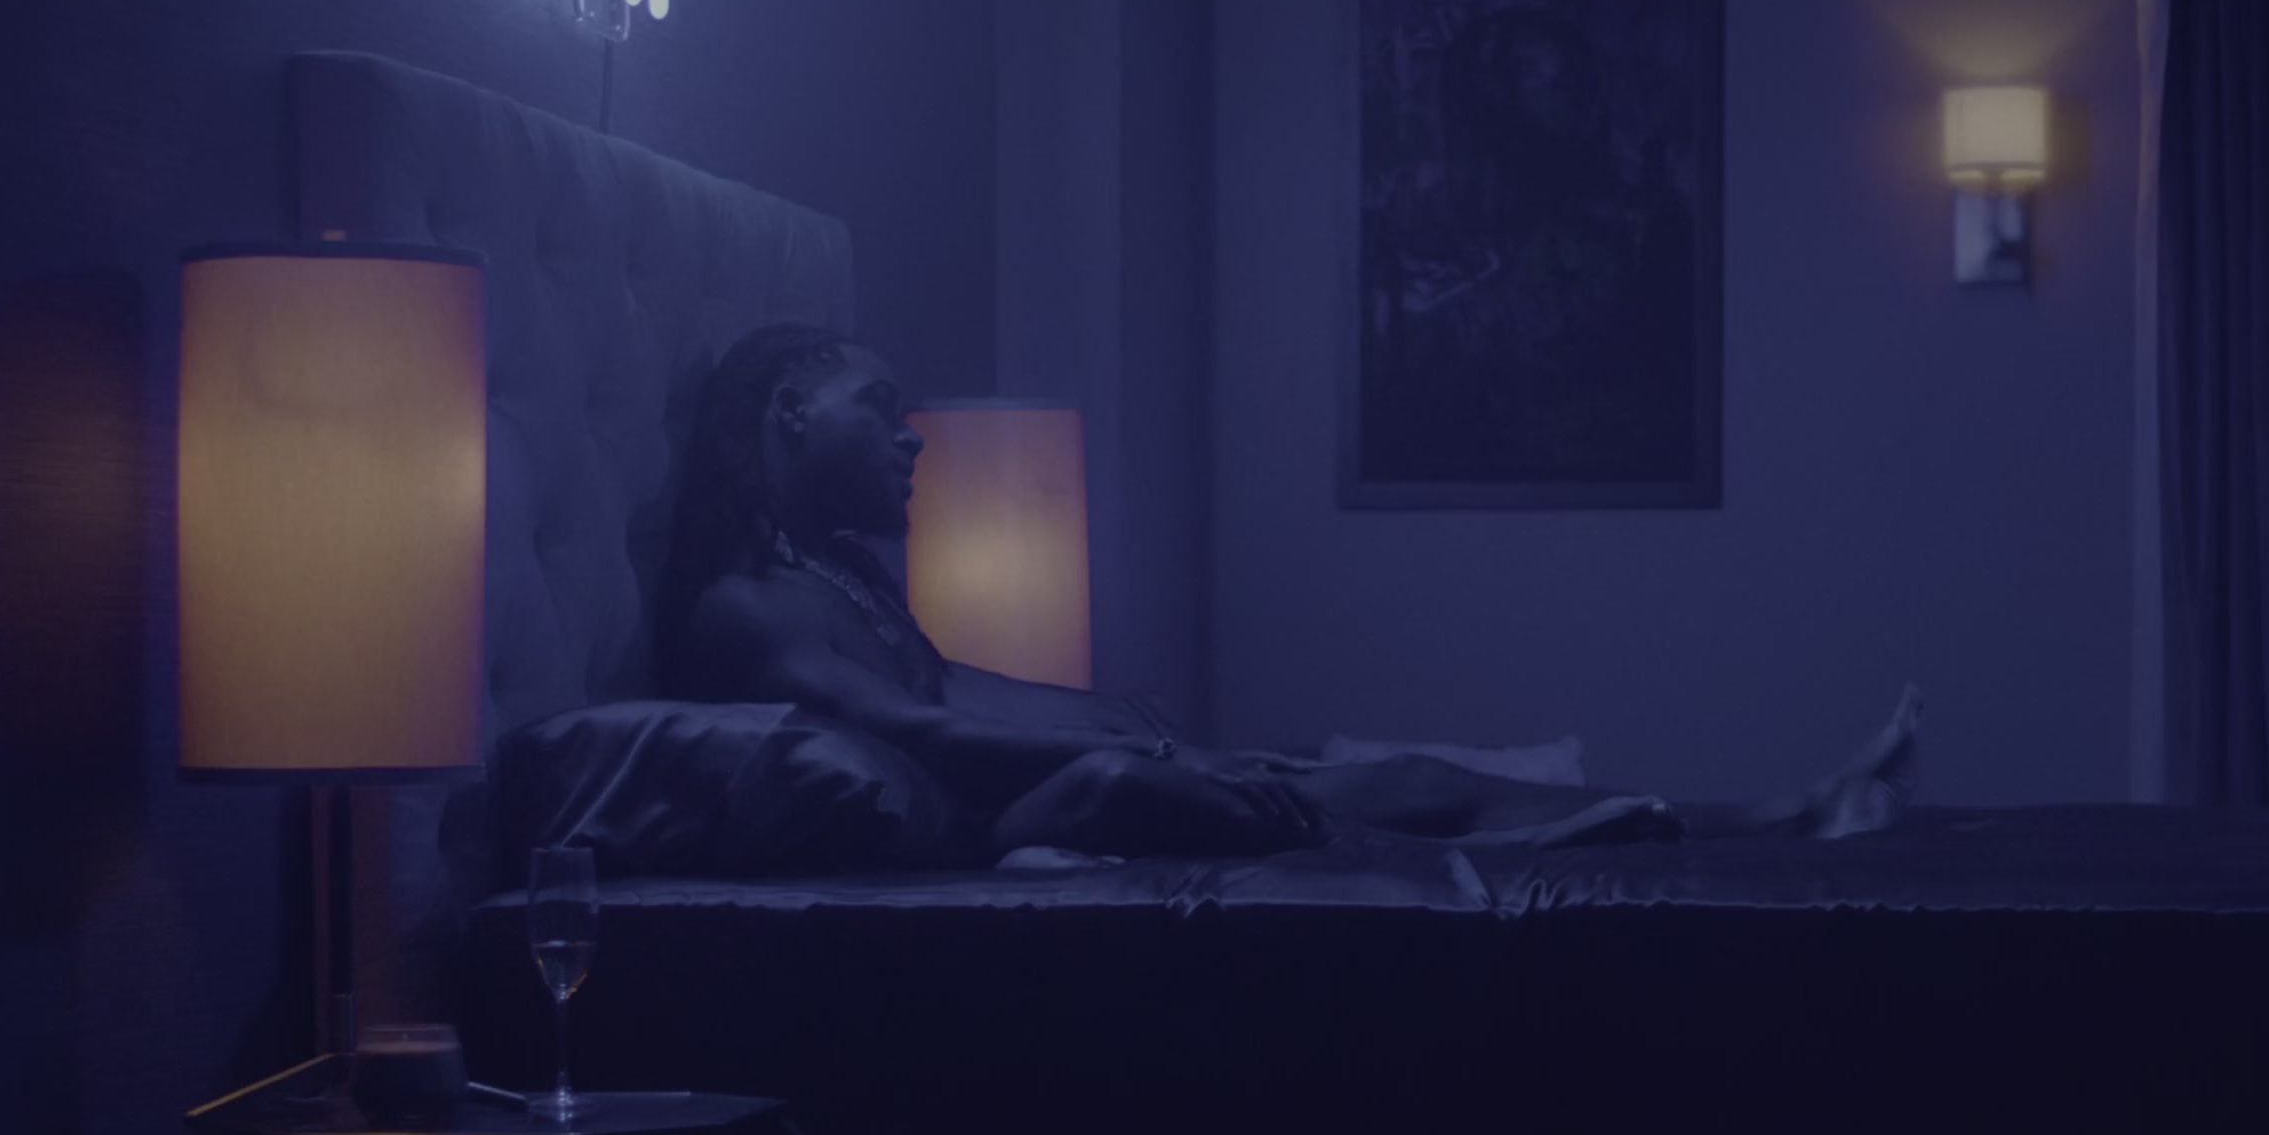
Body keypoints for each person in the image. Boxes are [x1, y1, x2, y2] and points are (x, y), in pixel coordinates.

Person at [653, 324, 1919, 860]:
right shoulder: (741, 608)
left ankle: (1751, 816)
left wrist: (1129, 719)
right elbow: (913, 734)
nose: (909, 436)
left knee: (1359, 770)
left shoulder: (836, 575)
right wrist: (1151, 759)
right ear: (791, 409)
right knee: (1347, 788)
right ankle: (1744, 822)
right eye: (880, 407)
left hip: (1034, 798)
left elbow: (951, 688)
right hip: (981, 850)